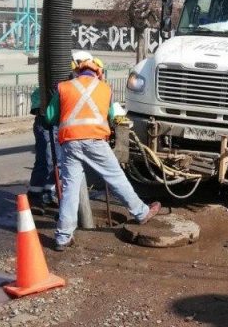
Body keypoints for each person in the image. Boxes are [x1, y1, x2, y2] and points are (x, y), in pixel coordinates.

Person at [45, 50, 161, 251]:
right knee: (115, 177)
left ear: (77, 71)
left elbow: (49, 117)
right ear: (98, 72)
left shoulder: (63, 87)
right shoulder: (104, 89)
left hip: (70, 143)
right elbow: (111, 115)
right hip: (95, 141)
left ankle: (63, 237)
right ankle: (141, 212)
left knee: (70, 188)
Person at [27, 87, 57, 212]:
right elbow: (35, 102)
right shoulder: (42, 91)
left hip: (56, 123)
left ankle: (48, 195)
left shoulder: (65, 86)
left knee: (56, 161)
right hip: (44, 123)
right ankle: (34, 197)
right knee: (45, 159)